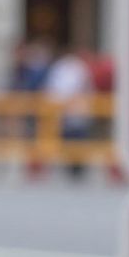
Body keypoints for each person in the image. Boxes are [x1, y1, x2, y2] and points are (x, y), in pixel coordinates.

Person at [44, 48, 94, 176]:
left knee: (78, 137)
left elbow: (84, 88)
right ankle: (70, 165)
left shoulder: (78, 68)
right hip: (65, 110)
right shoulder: (62, 68)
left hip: (77, 108)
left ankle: (77, 167)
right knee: (68, 137)